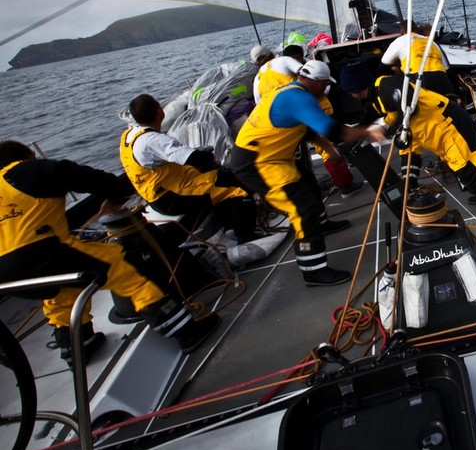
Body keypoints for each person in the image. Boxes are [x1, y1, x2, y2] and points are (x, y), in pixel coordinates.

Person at [0, 140, 220, 364]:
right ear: (27, 156)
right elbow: (88, 177)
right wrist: (115, 193)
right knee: (128, 270)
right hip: (43, 251)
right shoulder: (28, 171)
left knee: (61, 294)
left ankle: (77, 348)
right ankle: (185, 332)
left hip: (7, 276)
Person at [228, 60, 385, 286]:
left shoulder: (292, 91)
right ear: (319, 83)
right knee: (302, 211)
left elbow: (307, 130)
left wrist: (329, 150)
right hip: (256, 162)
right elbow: (334, 130)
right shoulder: (297, 98)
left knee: (308, 185)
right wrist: (369, 132)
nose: (325, 90)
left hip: (277, 156)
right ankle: (314, 270)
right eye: (325, 85)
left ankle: (321, 225)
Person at [346, 70, 476, 238]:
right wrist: (409, 181)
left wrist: (386, 129)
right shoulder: (376, 100)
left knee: (472, 174)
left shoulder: (387, 86)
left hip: (451, 127)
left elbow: (408, 108)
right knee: (469, 175)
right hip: (437, 134)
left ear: (354, 89)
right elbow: (408, 145)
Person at [121, 94, 259, 249]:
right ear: (159, 111)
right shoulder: (153, 141)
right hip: (173, 196)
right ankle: (245, 238)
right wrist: (208, 155)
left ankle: (230, 224)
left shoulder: (129, 136)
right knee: (237, 186)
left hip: (156, 195)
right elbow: (193, 158)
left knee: (219, 179)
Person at [254, 44, 363, 194]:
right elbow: (307, 75)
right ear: (272, 53)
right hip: (306, 108)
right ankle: (346, 185)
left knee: (297, 158)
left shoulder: (257, 79)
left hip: (286, 121)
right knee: (327, 147)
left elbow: (260, 104)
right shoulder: (282, 61)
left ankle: (310, 190)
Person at [380, 21, 454, 96]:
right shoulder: (432, 42)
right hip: (441, 76)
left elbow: (384, 63)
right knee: (448, 104)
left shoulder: (399, 41)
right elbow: (448, 69)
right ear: (417, 31)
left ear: (402, 33)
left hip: (418, 77)